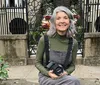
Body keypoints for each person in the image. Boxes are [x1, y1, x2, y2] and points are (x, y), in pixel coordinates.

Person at [35, 6, 80, 85]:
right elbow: (37, 63)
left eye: (65, 18)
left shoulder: (73, 43)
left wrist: (65, 73)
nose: (62, 21)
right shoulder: (44, 40)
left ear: (70, 21)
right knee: (73, 82)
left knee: (73, 81)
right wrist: (48, 73)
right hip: (46, 77)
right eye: (58, 18)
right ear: (54, 22)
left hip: (64, 77)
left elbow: (72, 66)